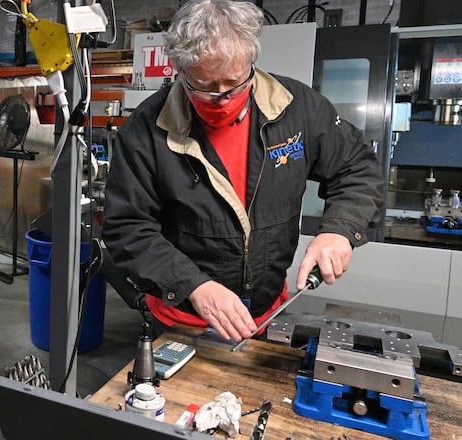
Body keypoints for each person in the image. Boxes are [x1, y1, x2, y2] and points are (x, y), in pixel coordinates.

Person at [101, 0, 384, 343]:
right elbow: (128, 229)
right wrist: (195, 286)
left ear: (252, 60)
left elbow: (357, 167)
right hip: (182, 321)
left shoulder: (298, 109)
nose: (221, 98)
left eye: (234, 83)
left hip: (268, 314)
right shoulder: (145, 130)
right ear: (179, 71)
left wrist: (340, 230)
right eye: (203, 86)